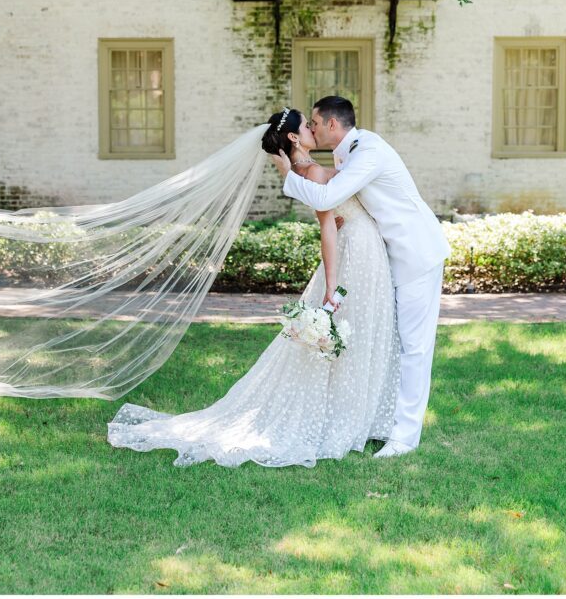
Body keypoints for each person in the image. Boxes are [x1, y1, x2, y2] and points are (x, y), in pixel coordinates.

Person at [106, 107, 403, 467]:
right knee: (360, 330)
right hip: (355, 250)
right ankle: (352, 419)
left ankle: (359, 416)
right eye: (306, 125)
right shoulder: (311, 171)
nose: (312, 128)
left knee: (357, 332)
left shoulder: (303, 170)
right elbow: (328, 225)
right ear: (293, 138)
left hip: (357, 242)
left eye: (313, 122)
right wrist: (332, 283)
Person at [268, 95, 451, 458]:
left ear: (332, 125)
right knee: (395, 342)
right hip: (385, 257)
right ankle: (385, 423)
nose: (313, 130)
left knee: (415, 347)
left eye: (315, 124)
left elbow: (331, 193)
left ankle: (404, 439)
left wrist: (287, 177)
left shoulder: (370, 150)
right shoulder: (342, 154)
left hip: (416, 254)